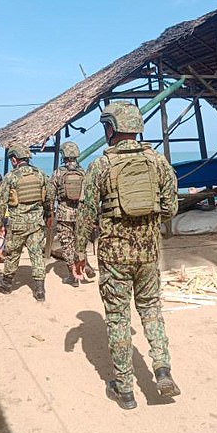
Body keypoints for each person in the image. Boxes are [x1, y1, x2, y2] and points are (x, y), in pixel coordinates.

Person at [74, 101, 180, 409]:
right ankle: (162, 369)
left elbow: (86, 214)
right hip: (148, 253)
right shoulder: (158, 162)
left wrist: (79, 252)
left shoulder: (100, 166)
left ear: (111, 128)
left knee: (118, 319)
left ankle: (125, 389)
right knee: (151, 310)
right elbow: (171, 207)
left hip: (114, 256)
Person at [0, 144, 52, 302]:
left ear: (14, 159)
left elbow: (1, 202)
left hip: (18, 224)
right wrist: (48, 215)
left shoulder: (11, 177)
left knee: (13, 254)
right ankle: (39, 290)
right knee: (37, 254)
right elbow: (48, 198)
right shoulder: (40, 175)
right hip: (37, 223)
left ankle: (6, 283)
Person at [46, 141, 95, 286]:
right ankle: (85, 265)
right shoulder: (83, 173)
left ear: (64, 155)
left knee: (67, 244)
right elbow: (90, 195)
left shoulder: (58, 173)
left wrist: (49, 213)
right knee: (80, 242)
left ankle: (72, 276)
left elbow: (50, 195)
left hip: (64, 214)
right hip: (81, 214)